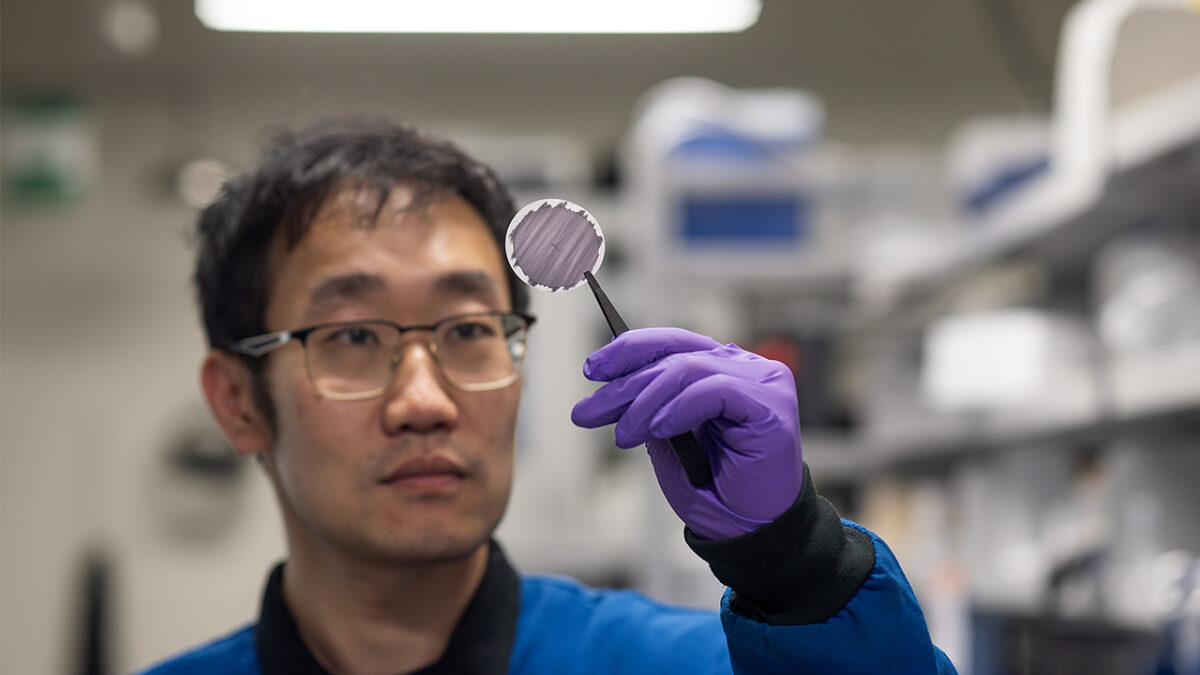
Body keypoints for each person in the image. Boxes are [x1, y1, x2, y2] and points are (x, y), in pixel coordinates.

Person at [138, 119, 957, 674]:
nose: (425, 399)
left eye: (468, 330)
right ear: (237, 399)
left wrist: (798, 560)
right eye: (351, 337)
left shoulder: (690, 666)